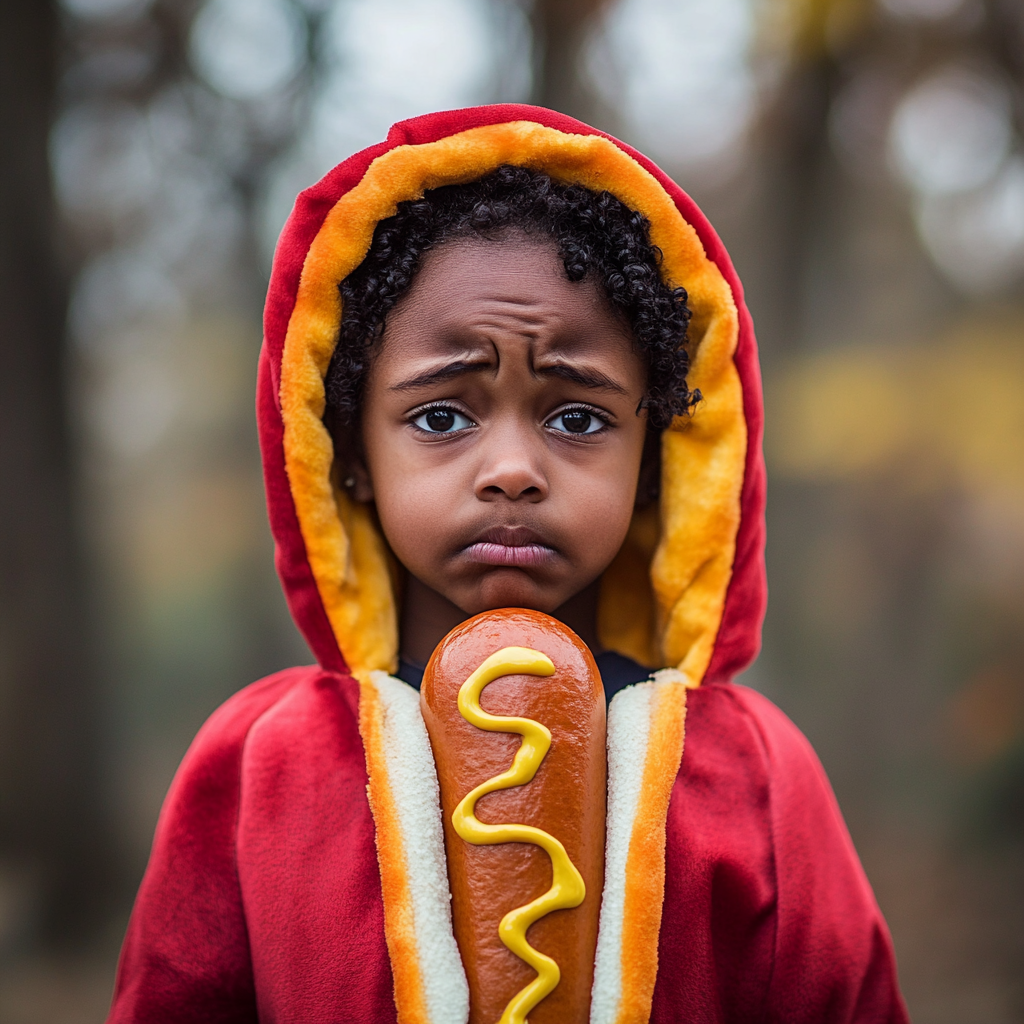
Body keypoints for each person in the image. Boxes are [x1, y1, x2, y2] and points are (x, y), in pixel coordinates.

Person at [106, 105, 909, 1023]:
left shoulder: (754, 777)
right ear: (350, 452)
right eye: (442, 415)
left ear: (652, 460)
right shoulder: (257, 770)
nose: (515, 471)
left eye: (578, 417)